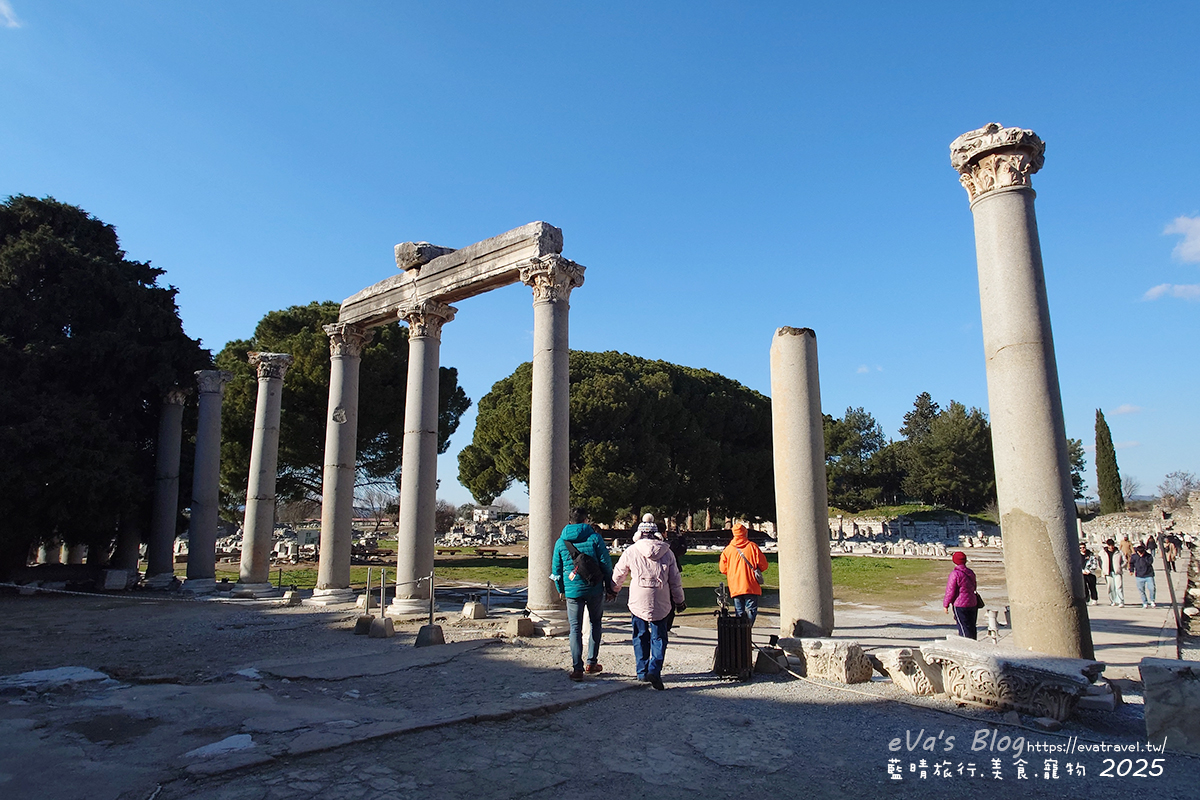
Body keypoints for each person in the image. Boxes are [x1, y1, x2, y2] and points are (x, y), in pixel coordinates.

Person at [609, 519, 685, 690]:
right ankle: (654, 669)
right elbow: (675, 581)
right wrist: (680, 600)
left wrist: (613, 590)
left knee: (640, 634)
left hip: (638, 598)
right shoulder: (667, 552)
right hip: (661, 598)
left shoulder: (631, 551)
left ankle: (642, 671)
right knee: (659, 637)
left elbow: (619, 573)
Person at [552, 508, 614, 682]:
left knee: (575, 628)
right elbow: (606, 564)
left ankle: (577, 668)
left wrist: (561, 588)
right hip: (594, 587)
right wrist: (609, 585)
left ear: (570, 520)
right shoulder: (595, 538)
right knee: (595, 623)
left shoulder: (560, 542)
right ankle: (591, 662)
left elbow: (555, 570)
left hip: (572, 590)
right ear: (586, 520)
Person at [718, 523, 768, 626]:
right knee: (751, 609)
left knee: (739, 611)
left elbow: (723, 569)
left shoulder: (728, 550)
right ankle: (747, 629)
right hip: (751, 584)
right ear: (745, 533)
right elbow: (764, 565)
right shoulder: (753, 547)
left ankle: (741, 631)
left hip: (735, 585)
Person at [943, 551, 978, 639]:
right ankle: (974, 642)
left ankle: (966, 646)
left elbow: (950, 590)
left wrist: (946, 604)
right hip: (972, 601)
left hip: (960, 603)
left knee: (963, 627)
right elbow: (974, 586)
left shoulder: (955, 574)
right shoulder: (970, 572)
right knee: (972, 626)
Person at [1129, 543, 1157, 608]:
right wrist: (1131, 570)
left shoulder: (1148, 556)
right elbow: (1131, 563)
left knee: (1152, 588)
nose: (1141, 554)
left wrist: (1143, 558)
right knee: (1141, 590)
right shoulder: (1134, 556)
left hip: (1149, 574)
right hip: (1139, 575)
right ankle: (1145, 602)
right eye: (1139, 552)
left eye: (1142, 552)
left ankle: (1152, 600)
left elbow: (1150, 562)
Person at [1100, 538, 1125, 607]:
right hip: (1108, 572)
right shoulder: (1103, 553)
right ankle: (1113, 600)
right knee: (1110, 587)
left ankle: (1121, 601)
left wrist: (1120, 567)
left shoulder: (1119, 552)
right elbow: (1100, 561)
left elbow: (1124, 561)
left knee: (1118, 587)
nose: (1111, 547)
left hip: (1117, 572)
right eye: (1110, 545)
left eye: (1112, 545)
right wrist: (1103, 568)